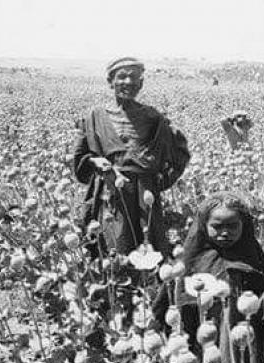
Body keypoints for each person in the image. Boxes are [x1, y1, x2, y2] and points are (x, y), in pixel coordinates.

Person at [152, 192, 264, 363]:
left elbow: (263, 314)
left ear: (245, 225)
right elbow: (169, 307)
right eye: (217, 226)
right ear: (204, 225)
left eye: (232, 226)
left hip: (241, 345)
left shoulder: (252, 258)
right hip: (199, 345)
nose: (224, 232)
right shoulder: (190, 261)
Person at [72, 57, 190, 258]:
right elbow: (81, 157)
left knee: (149, 249)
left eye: (134, 77)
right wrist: (95, 162)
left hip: (145, 196)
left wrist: (157, 183)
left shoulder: (154, 117)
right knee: (113, 249)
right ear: (111, 82)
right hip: (109, 194)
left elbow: (180, 152)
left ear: (141, 83)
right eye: (122, 77)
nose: (128, 82)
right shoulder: (95, 116)